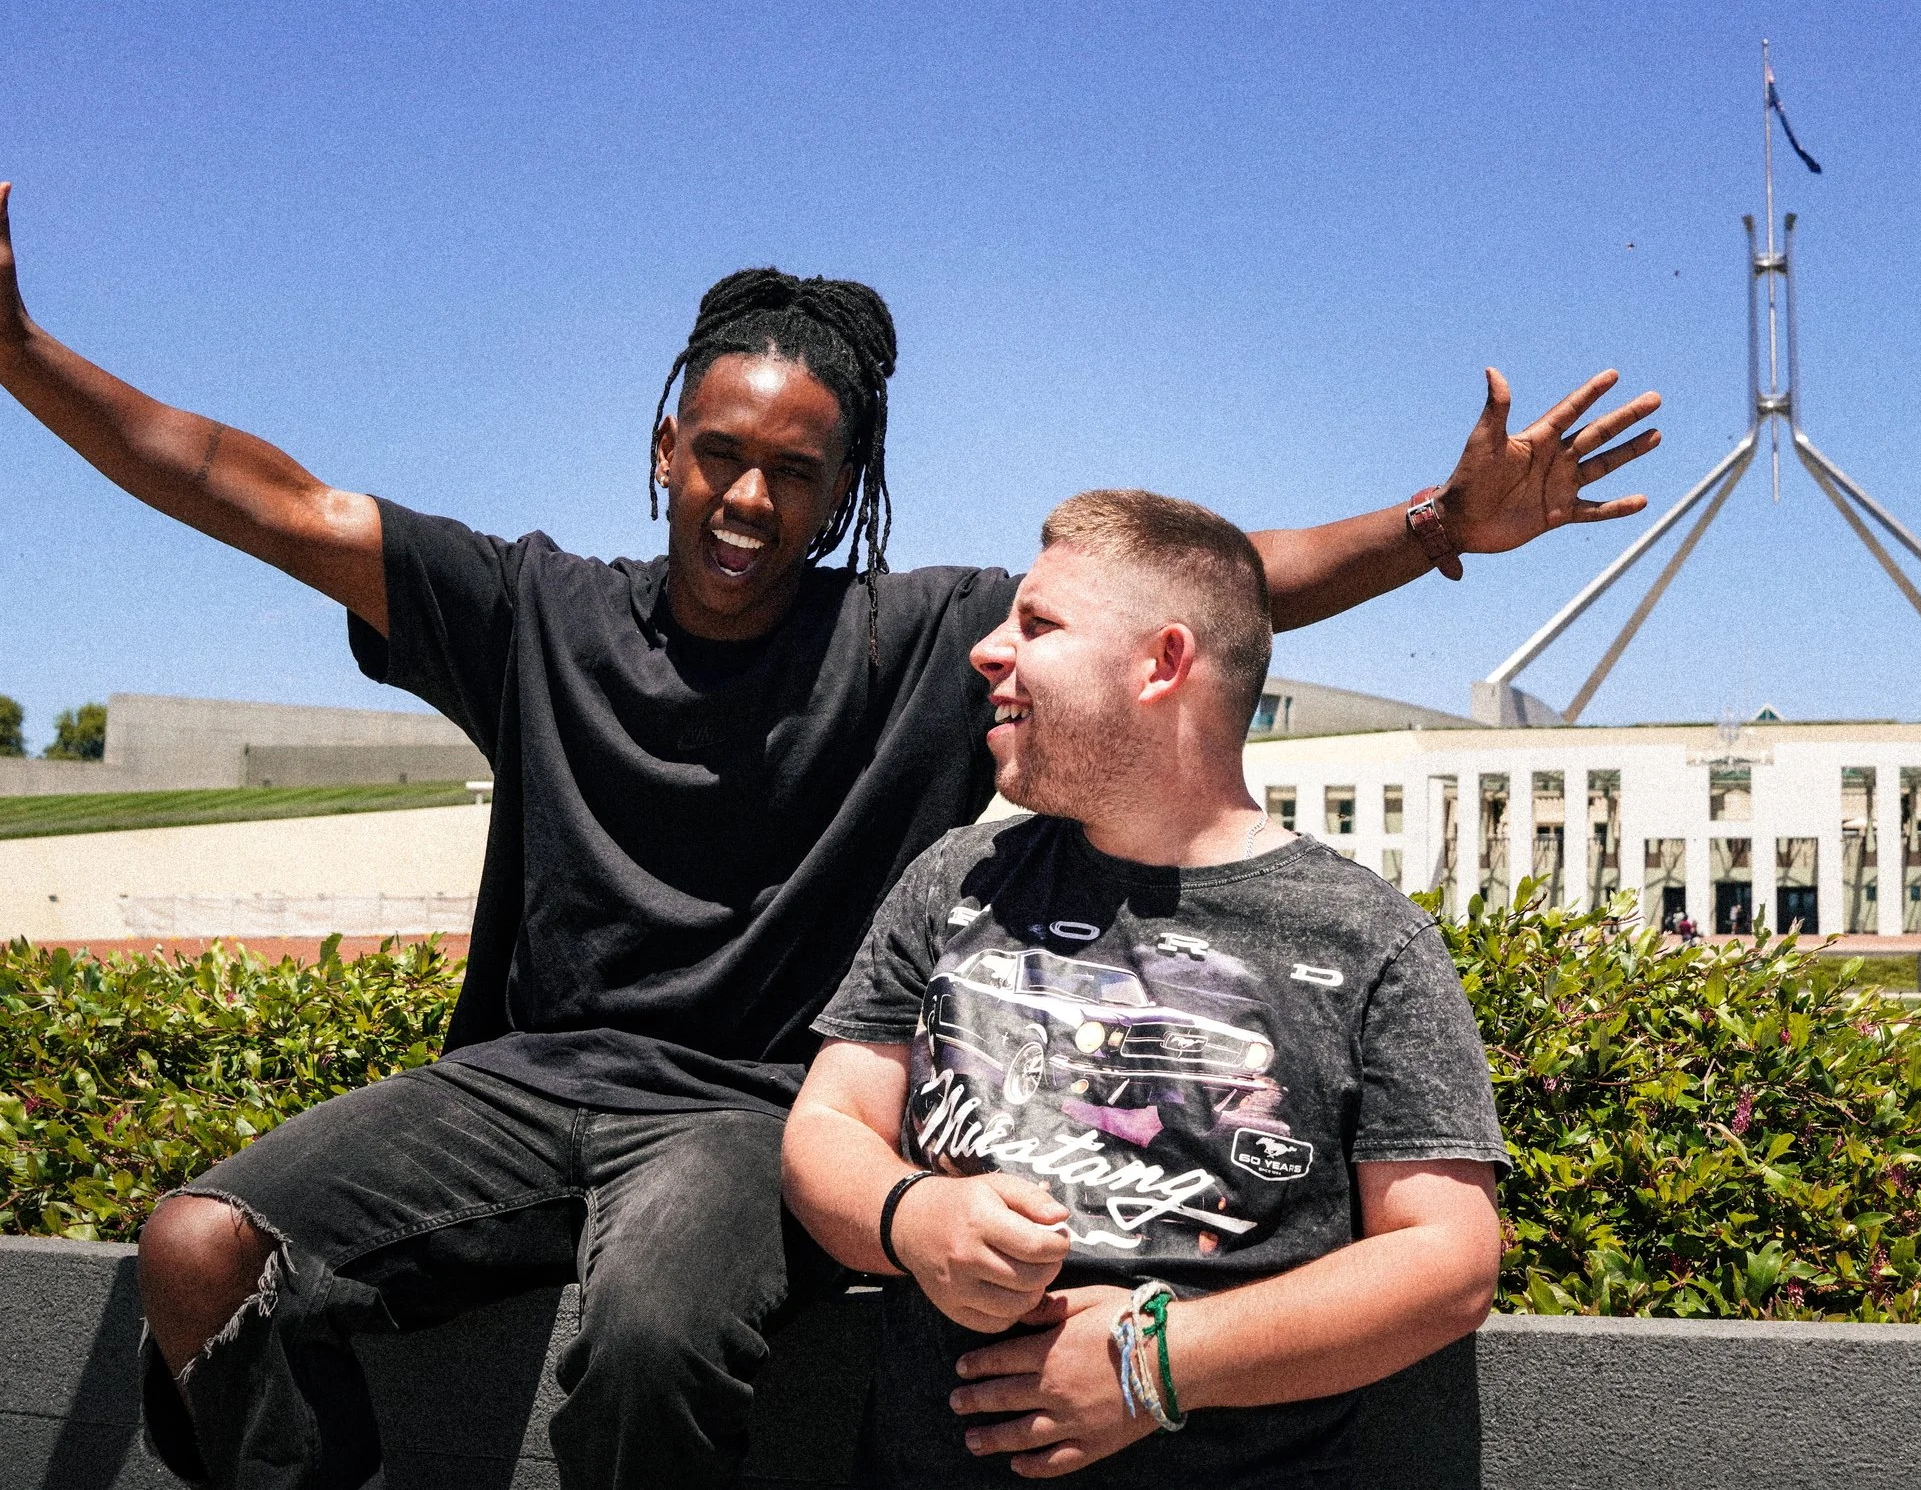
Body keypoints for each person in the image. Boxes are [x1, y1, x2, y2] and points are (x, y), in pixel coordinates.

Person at [0, 182, 1655, 1490]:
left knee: (648, 1338)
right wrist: (24, 355)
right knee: (201, 1245)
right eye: (719, 452)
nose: (746, 497)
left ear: (847, 493)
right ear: (666, 446)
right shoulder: (530, 611)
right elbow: (259, 495)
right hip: (530, 1082)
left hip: (754, 1118)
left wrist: (1444, 527)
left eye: (796, 473)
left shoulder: (918, 641)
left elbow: (1206, 590)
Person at [782, 490, 1506, 1485]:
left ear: (1161, 663)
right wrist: (913, 1216)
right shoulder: (955, 878)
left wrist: (1154, 1363)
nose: (988, 651)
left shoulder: (1369, 935)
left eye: (1037, 624)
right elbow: (826, 1124)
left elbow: (1448, 1258)